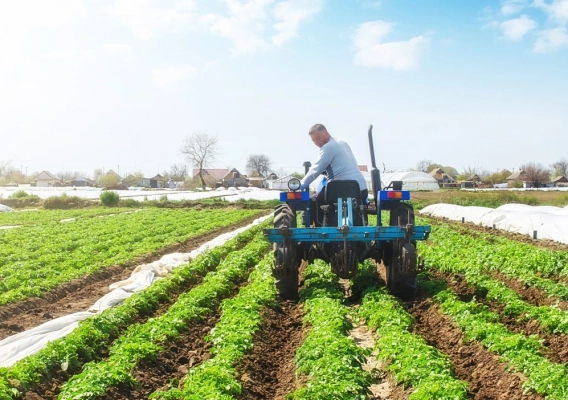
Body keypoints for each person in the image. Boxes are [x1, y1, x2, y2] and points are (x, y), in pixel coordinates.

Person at [300, 124, 368, 226]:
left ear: (326, 133)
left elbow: (314, 171)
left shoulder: (328, 147)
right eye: (313, 140)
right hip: (360, 190)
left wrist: (299, 186)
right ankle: (361, 224)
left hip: (339, 190)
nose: (316, 142)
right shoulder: (342, 143)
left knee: (312, 201)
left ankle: (319, 231)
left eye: (318, 138)